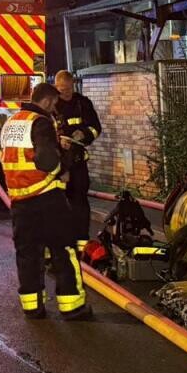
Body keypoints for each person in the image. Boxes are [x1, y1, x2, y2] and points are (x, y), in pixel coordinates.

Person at [0, 82, 91, 321]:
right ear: (49, 101)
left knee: (27, 254)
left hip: (19, 201)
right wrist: (65, 163)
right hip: (46, 197)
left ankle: (33, 307)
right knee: (63, 250)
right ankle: (72, 306)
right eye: (54, 105)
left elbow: (21, 156)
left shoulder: (12, 122)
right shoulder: (40, 122)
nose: (54, 110)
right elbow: (48, 161)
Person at [53, 69, 102, 250]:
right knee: (59, 203)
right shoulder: (52, 105)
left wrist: (85, 133)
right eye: (59, 89)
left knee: (80, 202)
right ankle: (62, 243)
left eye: (66, 89)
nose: (63, 92)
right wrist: (58, 141)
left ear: (72, 85)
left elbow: (96, 128)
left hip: (78, 161)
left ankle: (81, 242)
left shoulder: (83, 104)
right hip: (59, 164)